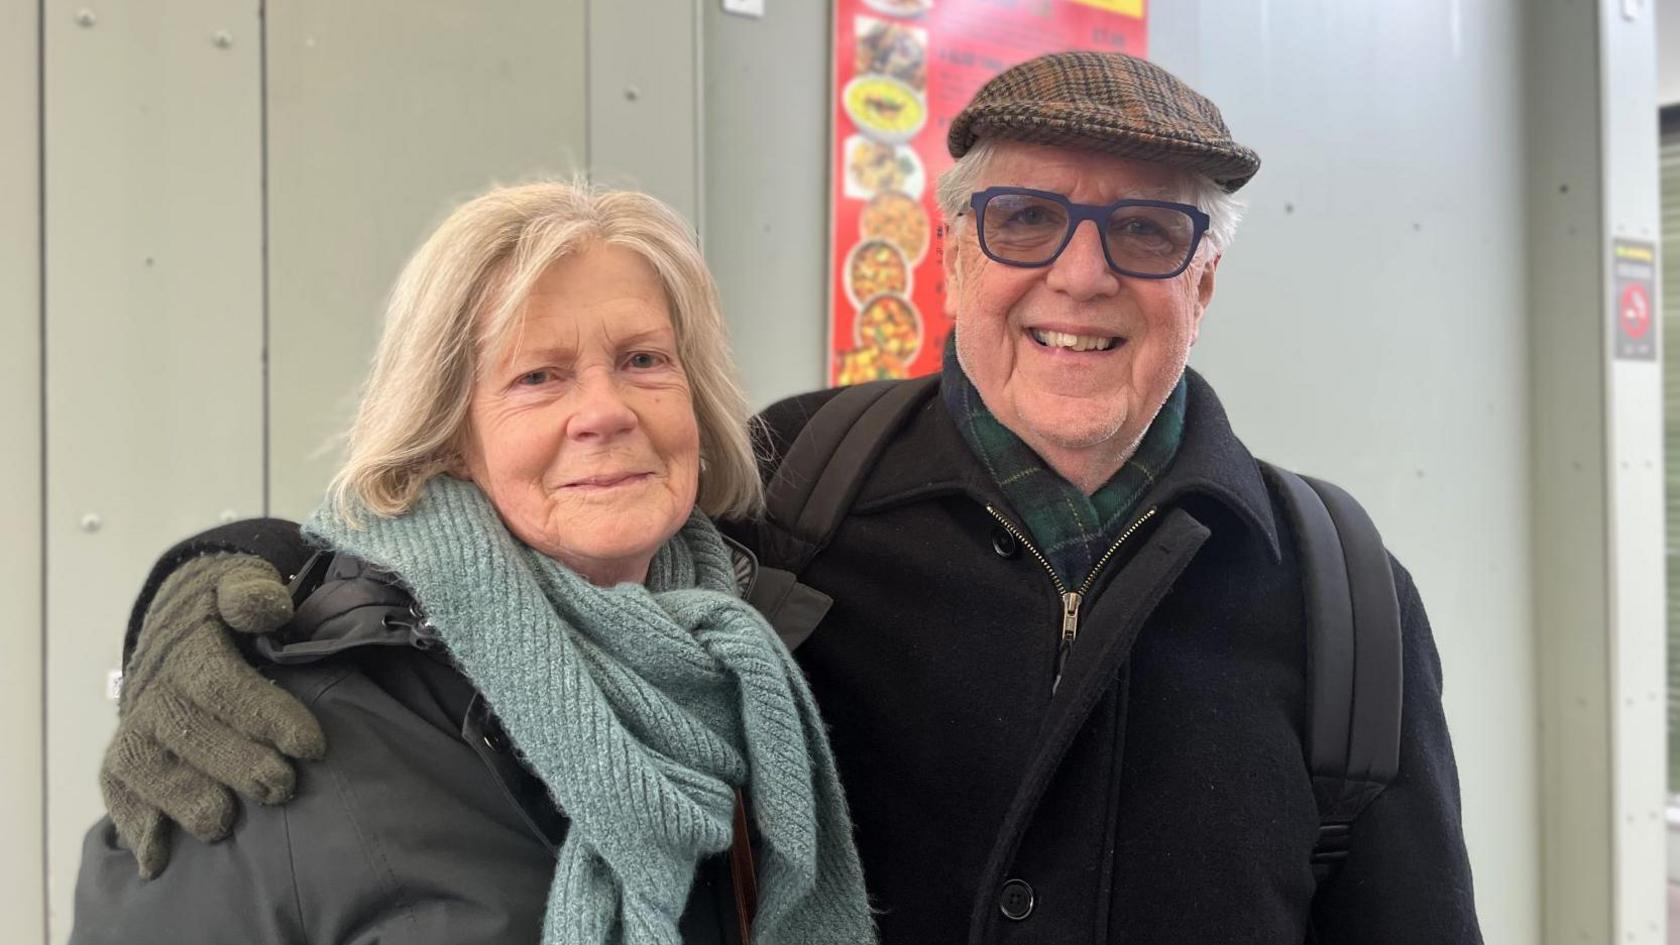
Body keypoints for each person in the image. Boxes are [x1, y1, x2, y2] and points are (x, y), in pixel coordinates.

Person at [91, 52, 1482, 944]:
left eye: (1147, 229)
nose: (1080, 273)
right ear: (954, 260)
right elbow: (512, 543)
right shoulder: (794, 491)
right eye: (1025, 220)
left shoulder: (1341, 600)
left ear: (1205, 280)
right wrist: (215, 584)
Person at [71, 182, 876, 945]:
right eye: (537, 376)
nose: (605, 411)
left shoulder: (745, 669)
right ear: (447, 435)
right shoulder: (268, 729)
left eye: (643, 360)